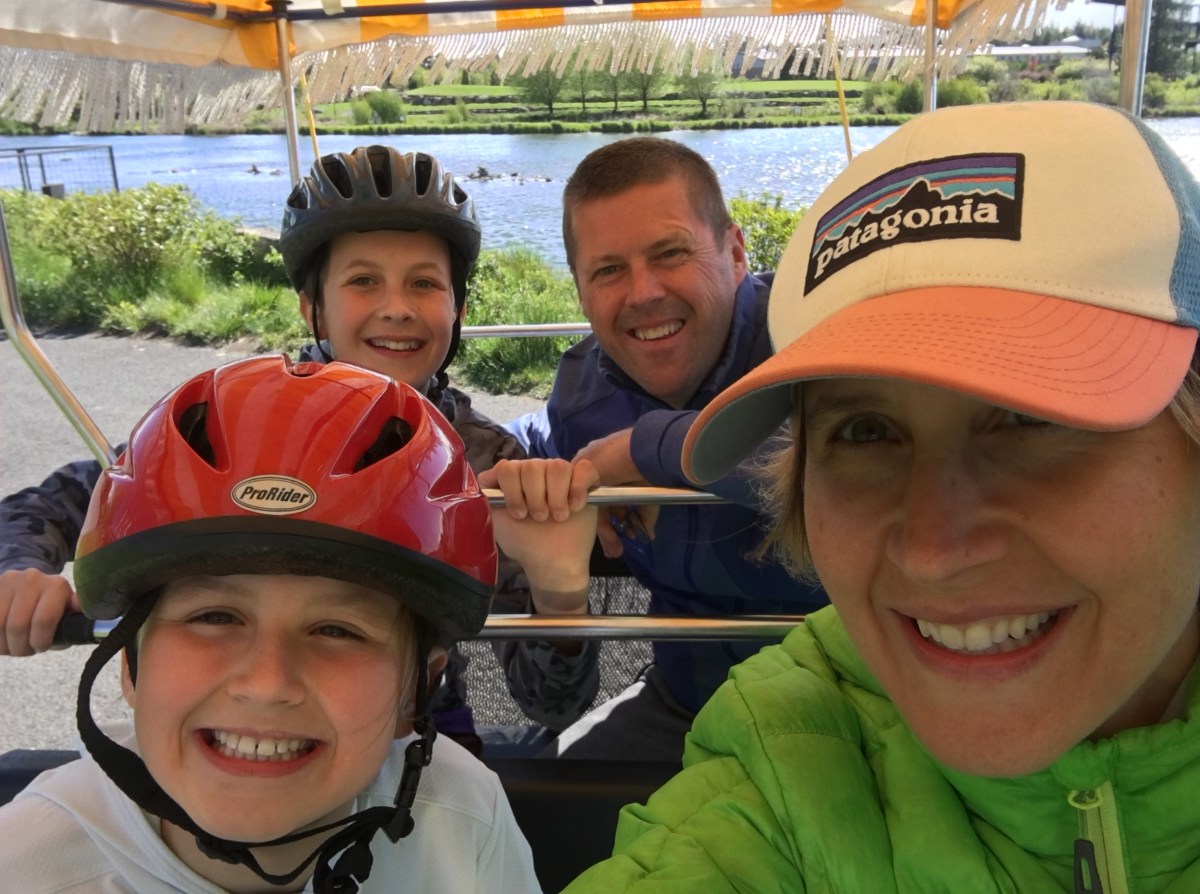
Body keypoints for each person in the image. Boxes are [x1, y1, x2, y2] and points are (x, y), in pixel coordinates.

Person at [562, 100, 1200, 891]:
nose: (933, 551)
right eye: (865, 433)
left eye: (1031, 419)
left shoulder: (762, 344)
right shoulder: (789, 759)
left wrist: (647, 446)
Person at [0, 145, 598, 743]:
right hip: (225, 718)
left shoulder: (482, 460)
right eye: (363, 281)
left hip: (414, 734)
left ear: (458, 307)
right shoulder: (240, 416)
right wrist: (19, 572)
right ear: (313, 308)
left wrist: (559, 591)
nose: (397, 308)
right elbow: (74, 494)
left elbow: (551, 705)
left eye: (424, 283)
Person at [0, 356, 542, 893]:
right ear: (129, 664)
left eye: (337, 631)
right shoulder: (25, 867)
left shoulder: (466, 818)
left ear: (417, 691)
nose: (266, 685)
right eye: (214, 617)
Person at [501, 136, 829, 761]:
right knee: (533, 806)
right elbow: (537, 443)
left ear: (735, 253)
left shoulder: (815, 345)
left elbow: (859, 463)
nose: (644, 292)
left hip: (853, 709)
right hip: (685, 707)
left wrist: (645, 448)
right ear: (580, 290)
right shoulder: (581, 395)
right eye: (608, 270)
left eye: (671, 253)